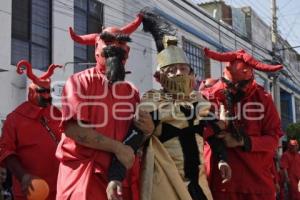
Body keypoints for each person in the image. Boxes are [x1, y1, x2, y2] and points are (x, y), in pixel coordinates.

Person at [107, 11, 232, 200]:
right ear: (160, 78)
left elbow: (212, 134)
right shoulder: (152, 103)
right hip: (166, 183)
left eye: (183, 69)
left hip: (199, 185)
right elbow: (132, 140)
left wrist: (222, 160)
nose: (179, 74)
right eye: (172, 70)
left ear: (192, 75)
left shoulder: (200, 103)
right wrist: (115, 177)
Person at [55, 13, 144, 200]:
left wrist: (148, 129)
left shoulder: (132, 92)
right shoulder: (78, 82)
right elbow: (73, 129)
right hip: (85, 178)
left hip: (121, 180)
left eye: (121, 43)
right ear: (97, 49)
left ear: (127, 51)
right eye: (108, 42)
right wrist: (118, 149)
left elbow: (136, 135)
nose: (115, 47)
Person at [201, 48, 283, 200]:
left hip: (257, 186)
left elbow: (273, 140)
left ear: (250, 78)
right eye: (230, 85)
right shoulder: (209, 96)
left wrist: (242, 141)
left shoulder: (263, 98)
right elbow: (194, 135)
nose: (234, 91)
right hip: (219, 184)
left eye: (239, 86)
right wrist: (218, 126)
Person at [0, 60, 62, 200]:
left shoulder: (57, 113)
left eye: (49, 91)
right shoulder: (14, 119)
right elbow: (6, 151)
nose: (47, 96)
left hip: (60, 190)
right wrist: (23, 176)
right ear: (31, 92)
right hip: (31, 191)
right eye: (42, 92)